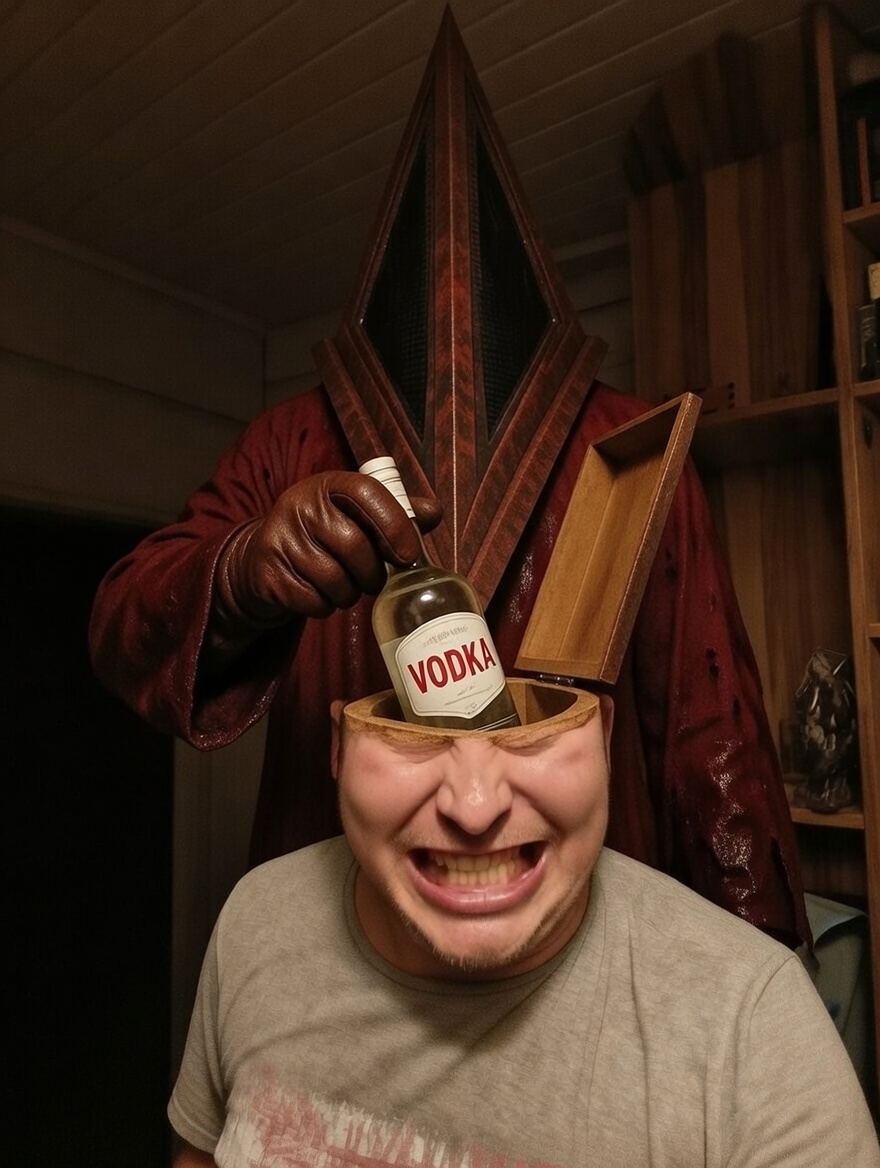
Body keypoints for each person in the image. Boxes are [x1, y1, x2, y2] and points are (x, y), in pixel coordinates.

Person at [88, 378, 810, 949]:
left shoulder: (629, 439)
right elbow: (124, 633)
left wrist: (761, 965)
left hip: (590, 943)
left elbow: (712, 733)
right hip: (337, 934)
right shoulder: (287, 440)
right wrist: (238, 569)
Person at [168, 681, 879, 1166]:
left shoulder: (754, 1029)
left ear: (603, 739)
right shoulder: (259, 917)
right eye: (410, 729)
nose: (475, 809)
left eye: (532, 729)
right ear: (338, 748)